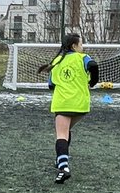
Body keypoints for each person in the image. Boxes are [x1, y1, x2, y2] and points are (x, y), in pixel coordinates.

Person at [41, 30, 100, 184]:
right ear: (74, 46)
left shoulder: (57, 61)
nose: (82, 47)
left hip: (63, 103)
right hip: (81, 104)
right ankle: (60, 160)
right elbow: (93, 65)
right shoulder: (83, 58)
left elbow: (50, 85)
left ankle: (64, 167)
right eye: (81, 44)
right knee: (66, 131)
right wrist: (93, 82)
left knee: (61, 134)